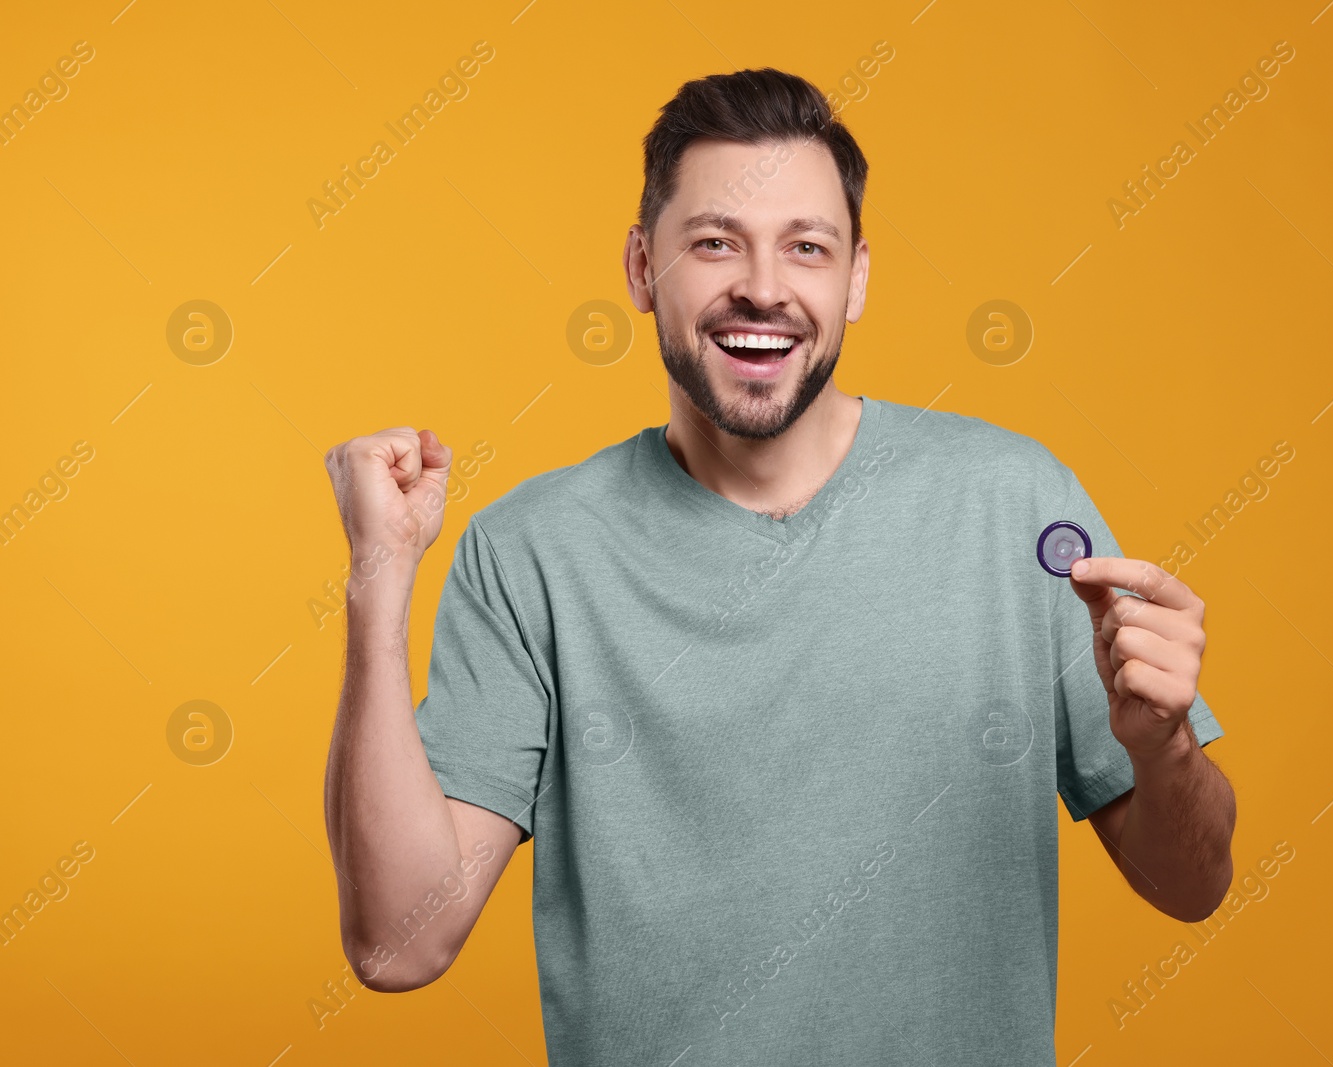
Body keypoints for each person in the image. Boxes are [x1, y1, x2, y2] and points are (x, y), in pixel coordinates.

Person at [322, 67, 1235, 1066]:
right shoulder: (533, 550)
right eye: (715, 242)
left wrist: (1162, 745)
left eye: (806, 247)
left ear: (854, 279)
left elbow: (1191, 886)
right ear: (640, 268)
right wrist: (379, 577)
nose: (763, 285)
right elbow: (398, 943)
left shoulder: (1013, 503)